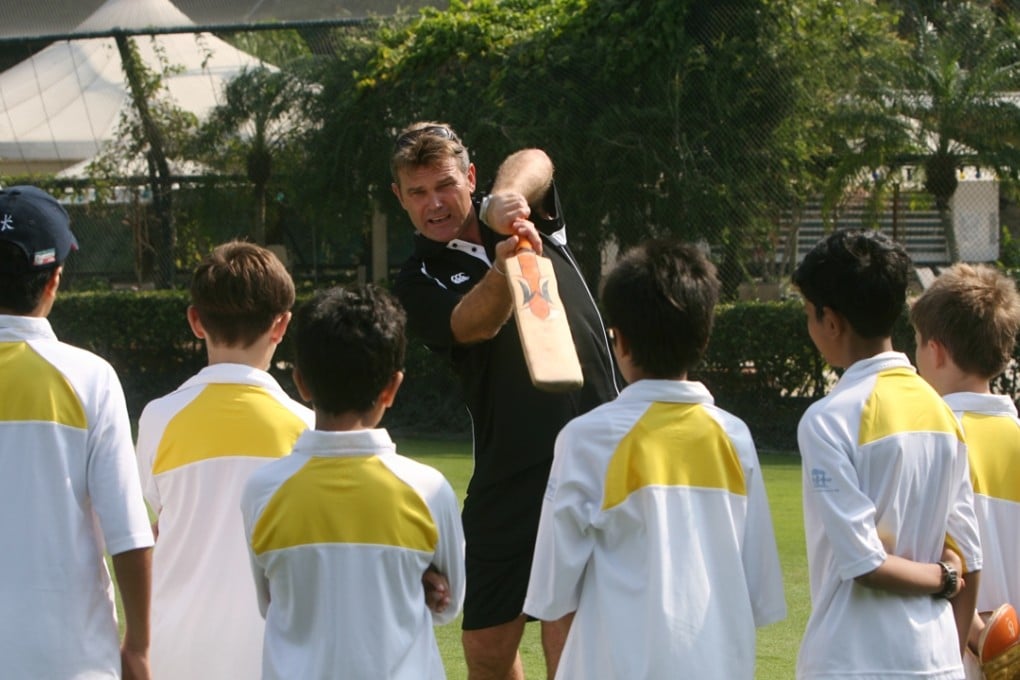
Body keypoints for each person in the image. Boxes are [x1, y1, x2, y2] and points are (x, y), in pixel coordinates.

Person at [391, 121, 618, 679]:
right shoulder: (417, 278)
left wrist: (504, 203)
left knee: (572, 635)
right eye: (417, 192)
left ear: (470, 177)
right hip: (510, 470)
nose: (434, 203)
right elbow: (469, 324)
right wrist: (505, 263)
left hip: (597, 457)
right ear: (400, 198)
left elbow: (536, 158)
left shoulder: (524, 214)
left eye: (445, 184)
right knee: (487, 647)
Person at [523, 239, 787, 678]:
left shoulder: (587, 438)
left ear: (620, 340)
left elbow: (553, 589)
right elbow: (758, 590)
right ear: (704, 336)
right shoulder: (734, 436)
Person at [240, 284, 465, 679]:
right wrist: (415, 582)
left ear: (301, 382)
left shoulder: (263, 490)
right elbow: (449, 605)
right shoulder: (428, 489)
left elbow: (271, 601)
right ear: (392, 388)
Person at [792, 229, 983, 679]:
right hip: (935, 660)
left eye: (808, 313)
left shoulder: (828, 419)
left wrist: (942, 577)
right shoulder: (941, 412)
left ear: (830, 321)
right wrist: (948, 656)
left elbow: (866, 563)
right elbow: (968, 556)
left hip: (852, 660)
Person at [135, 241, 315, 680]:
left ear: (196, 320)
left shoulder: (158, 417)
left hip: (175, 652)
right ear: (281, 325)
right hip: (274, 654)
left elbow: (160, 513)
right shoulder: (307, 428)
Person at [0, 185, 154, 678]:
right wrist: (138, 647)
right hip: (69, 659)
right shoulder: (90, 377)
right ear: (55, 279)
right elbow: (129, 534)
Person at [910, 262, 1020, 678]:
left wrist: (985, 639)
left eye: (917, 343)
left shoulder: (929, 442)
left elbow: (924, 560)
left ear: (936, 351)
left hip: (951, 662)